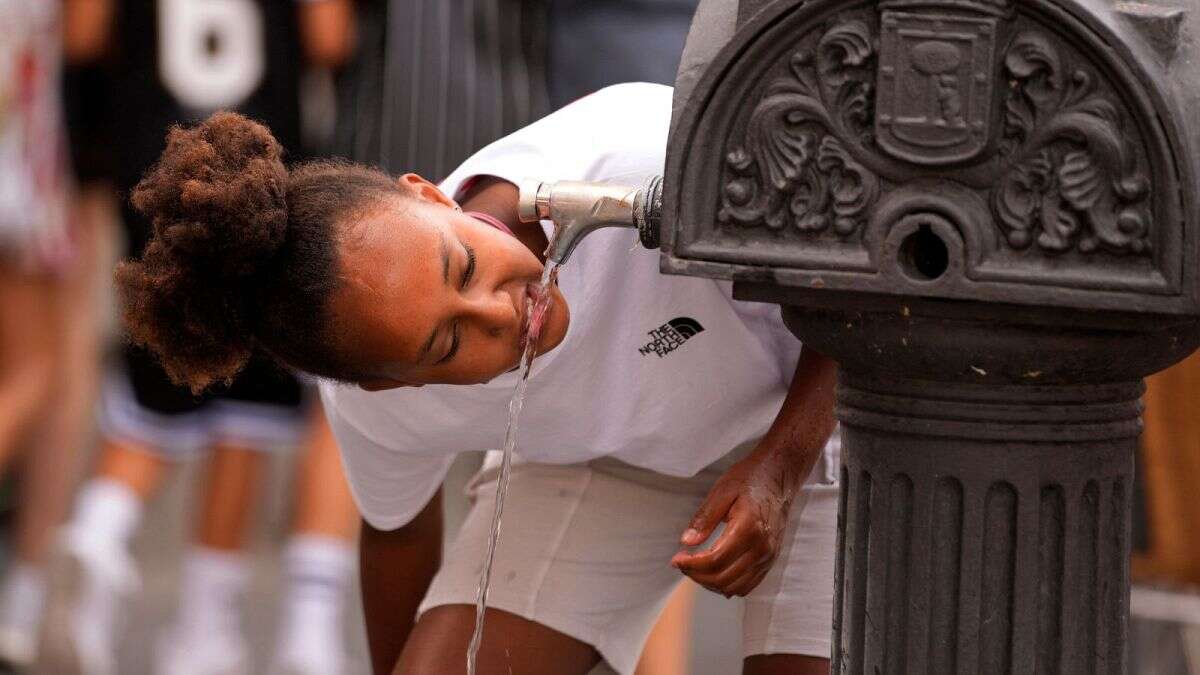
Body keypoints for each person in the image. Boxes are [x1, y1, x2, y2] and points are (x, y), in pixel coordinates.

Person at [118, 83, 840, 675]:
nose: (502, 310)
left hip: (824, 405)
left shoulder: (637, 156)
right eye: (447, 342)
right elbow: (396, 534)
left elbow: (870, 281)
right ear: (391, 385)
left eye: (462, 264)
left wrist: (781, 466)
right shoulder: (374, 403)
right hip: (619, 458)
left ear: (430, 195)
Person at [43, 2, 361, 674]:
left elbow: (84, 32)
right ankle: (204, 624)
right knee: (244, 402)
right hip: (257, 163)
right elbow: (330, 37)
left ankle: (101, 529)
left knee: (157, 374)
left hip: (151, 158)